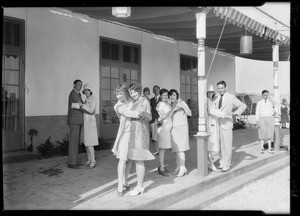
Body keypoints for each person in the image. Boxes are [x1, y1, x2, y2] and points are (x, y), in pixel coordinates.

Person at [111, 83, 144, 197]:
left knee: (130, 159)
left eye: (120, 93)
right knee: (123, 159)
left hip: (135, 133)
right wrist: (140, 113)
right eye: (116, 94)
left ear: (125, 93)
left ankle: (125, 182)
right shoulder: (117, 106)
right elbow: (128, 113)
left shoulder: (132, 101)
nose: (118, 96)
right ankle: (120, 185)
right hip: (125, 134)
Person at [128, 83, 155, 196]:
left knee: (139, 159)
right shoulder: (133, 102)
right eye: (131, 92)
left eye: (134, 92)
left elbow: (150, 118)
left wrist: (143, 113)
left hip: (141, 131)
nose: (133, 94)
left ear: (139, 90)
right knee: (135, 158)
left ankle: (140, 186)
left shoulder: (144, 100)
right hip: (133, 130)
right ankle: (139, 184)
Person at [215, 80, 247, 172]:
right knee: (220, 145)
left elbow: (243, 106)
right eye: (219, 88)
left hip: (227, 124)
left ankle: (227, 165)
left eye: (222, 88)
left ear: (225, 88)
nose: (220, 90)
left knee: (227, 146)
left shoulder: (231, 97)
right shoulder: (216, 97)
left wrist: (235, 114)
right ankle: (221, 163)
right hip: (218, 124)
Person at [206, 85, 231, 171]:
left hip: (214, 124)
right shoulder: (208, 101)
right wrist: (224, 114)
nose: (210, 94)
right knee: (210, 145)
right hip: (210, 125)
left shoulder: (212, 100)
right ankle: (211, 164)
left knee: (213, 145)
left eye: (212, 92)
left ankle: (211, 163)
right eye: (209, 92)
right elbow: (211, 111)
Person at [169, 89, 191, 177]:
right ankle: (178, 167)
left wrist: (182, 107)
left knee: (180, 149)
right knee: (175, 150)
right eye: (170, 95)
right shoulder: (171, 105)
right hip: (174, 129)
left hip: (181, 128)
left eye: (174, 95)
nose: (172, 97)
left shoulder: (182, 102)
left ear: (177, 96)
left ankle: (183, 168)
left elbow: (189, 113)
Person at [80, 84, 99, 168]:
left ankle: (93, 161)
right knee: (87, 142)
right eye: (85, 90)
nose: (86, 91)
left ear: (90, 91)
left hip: (90, 123)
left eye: (88, 90)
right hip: (86, 123)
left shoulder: (93, 98)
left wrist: (82, 105)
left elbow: (91, 110)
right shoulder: (86, 99)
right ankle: (89, 159)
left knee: (90, 142)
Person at [67, 79, 84, 169]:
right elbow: (80, 105)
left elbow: (80, 105)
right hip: (74, 120)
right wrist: (89, 108)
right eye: (78, 84)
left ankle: (75, 162)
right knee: (74, 142)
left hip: (77, 120)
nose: (80, 86)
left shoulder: (78, 93)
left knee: (76, 141)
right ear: (74, 85)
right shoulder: (73, 93)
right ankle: (72, 163)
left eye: (81, 85)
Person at [156, 88, 173, 177]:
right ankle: (161, 169)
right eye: (163, 95)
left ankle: (161, 166)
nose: (165, 97)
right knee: (162, 149)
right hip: (163, 127)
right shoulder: (160, 104)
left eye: (166, 95)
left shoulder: (167, 103)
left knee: (164, 148)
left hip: (168, 127)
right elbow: (163, 116)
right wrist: (171, 109)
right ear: (160, 96)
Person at [255, 90, 276, 154]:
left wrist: (271, 98)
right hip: (262, 118)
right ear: (262, 95)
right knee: (262, 133)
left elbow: (276, 103)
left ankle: (269, 148)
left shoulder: (271, 102)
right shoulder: (259, 102)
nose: (266, 96)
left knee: (270, 133)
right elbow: (257, 112)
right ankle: (262, 148)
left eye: (267, 95)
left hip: (270, 118)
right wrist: (257, 121)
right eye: (264, 95)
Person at [149, 85, 161, 155]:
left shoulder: (163, 99)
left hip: (160, 119)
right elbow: (150, 110)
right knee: (154, 135)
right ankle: (157, 150)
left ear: (159, 90)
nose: (156, 90)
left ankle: (161, 149)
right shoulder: (151, 100)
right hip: (153, 119)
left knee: (160, 134)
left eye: (157, 89)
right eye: (154, 90)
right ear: (153, 91)